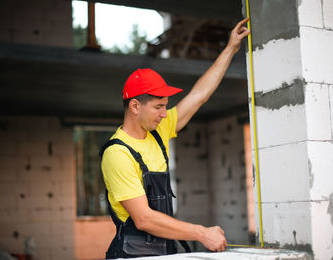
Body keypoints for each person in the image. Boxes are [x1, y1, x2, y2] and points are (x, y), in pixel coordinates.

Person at [100, 18, 250, 259]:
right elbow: (144, 219)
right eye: (159, 106)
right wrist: (201, 233)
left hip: (163, 250)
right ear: (135, 106)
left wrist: (231, 48)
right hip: (133, 254)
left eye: (166, 106)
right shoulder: (117, 153)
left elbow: (200, 94)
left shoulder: (158, 130)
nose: (164, 114)